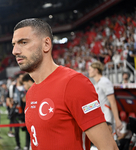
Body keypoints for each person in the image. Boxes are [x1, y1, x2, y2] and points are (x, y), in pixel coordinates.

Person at [12, 18, 119, 150]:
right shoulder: (31, 93)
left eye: (23, 42)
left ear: (46, 44)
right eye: (14, 44)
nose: (15, 51)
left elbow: (109, 147)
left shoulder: (74, 83)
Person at [88, 61, 123, 136]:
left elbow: (112, 102)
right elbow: (97, 103)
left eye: (90, 69)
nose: (88, 71)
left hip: (108, 118)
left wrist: (117, 120)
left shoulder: (105, 82)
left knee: (109, 144)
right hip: (101, 118)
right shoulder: (96, 84)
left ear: (96, 70)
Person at [7, 72, 26, 150]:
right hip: (16, 112)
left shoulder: (25, 87)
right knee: (16, 130)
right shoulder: (12, 87)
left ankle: (27, 146)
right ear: (18, 79)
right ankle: (18, 145)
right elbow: (8, 98)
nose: (22, 79)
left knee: (27, 130)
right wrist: (11, 105)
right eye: (21, 78)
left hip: (24, 112)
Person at [21, 73, 34, 150]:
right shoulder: (29, 92)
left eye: (24, 84)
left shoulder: (36, 91)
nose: (24, 86)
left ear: (29, 81)